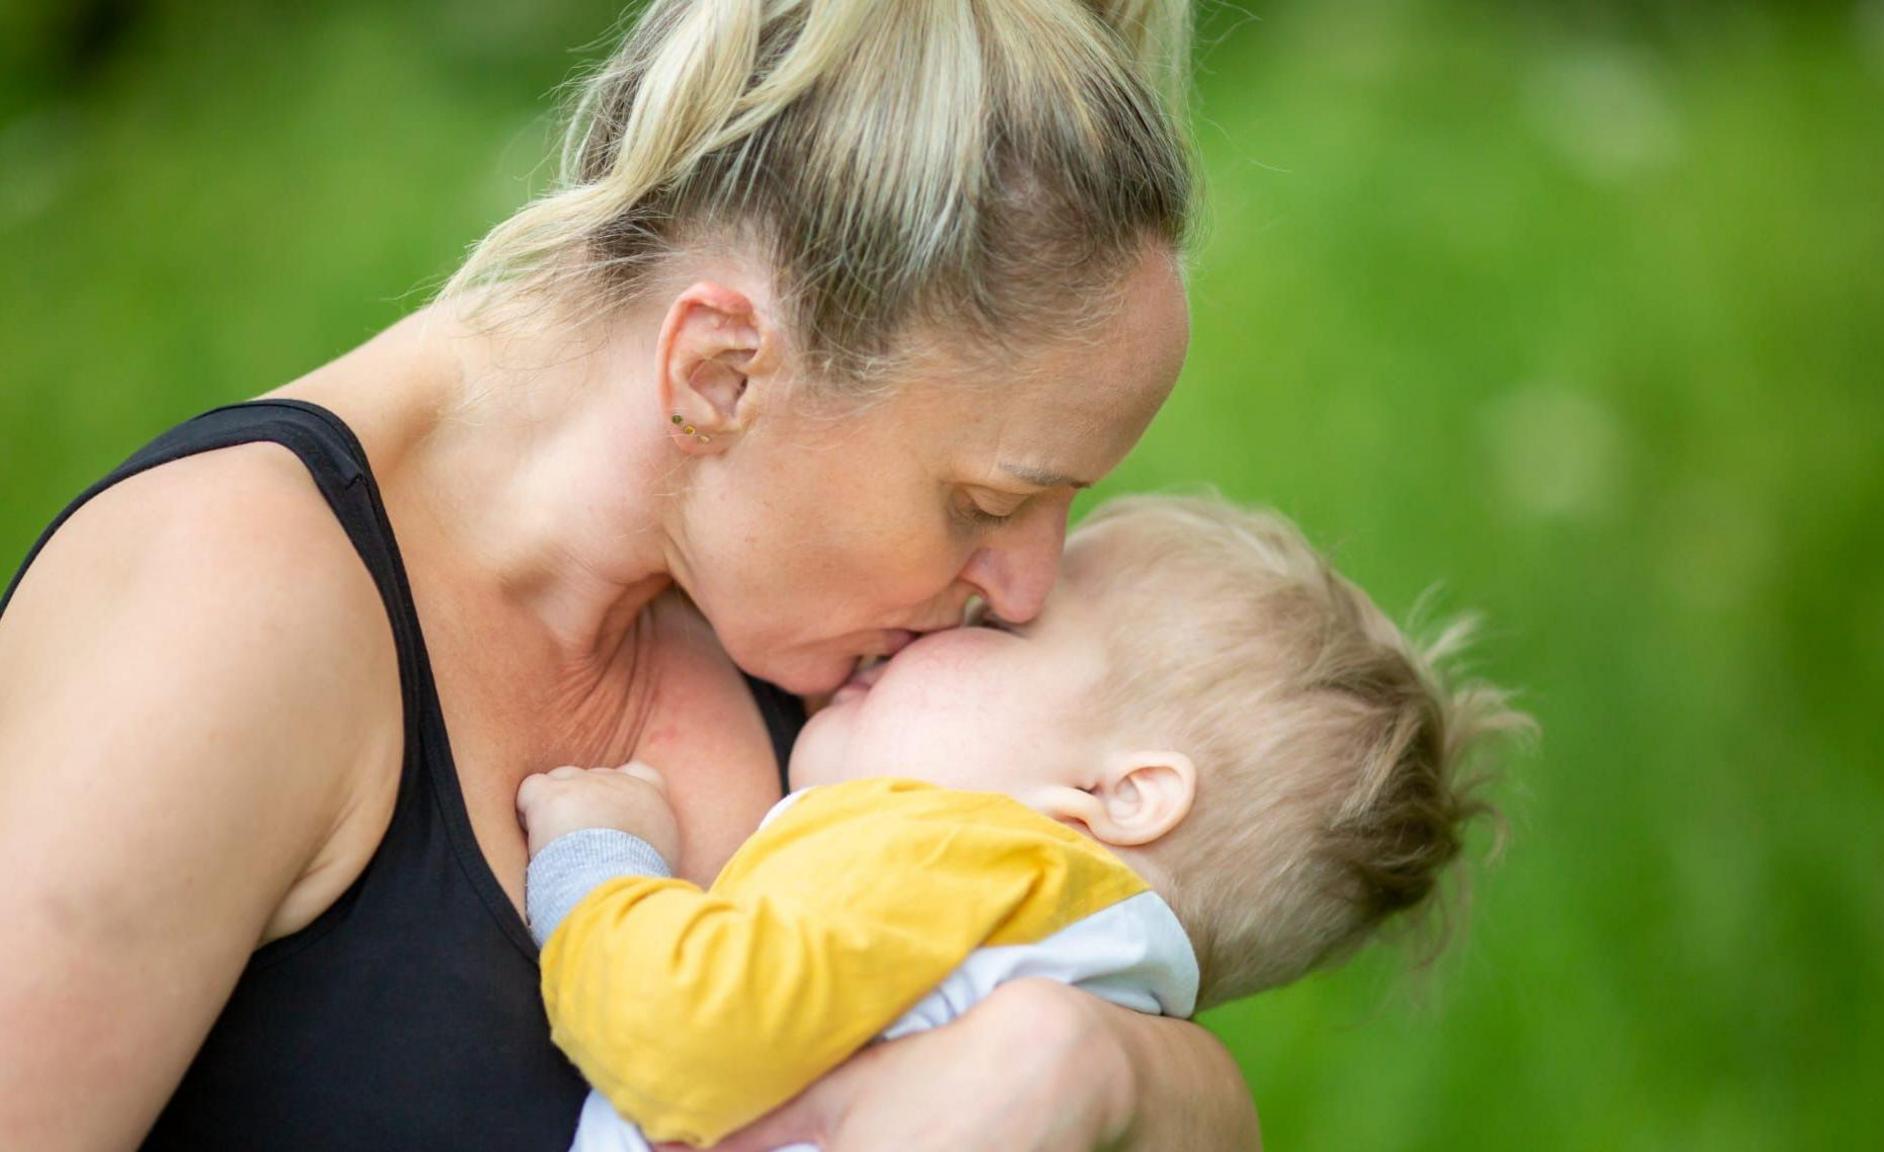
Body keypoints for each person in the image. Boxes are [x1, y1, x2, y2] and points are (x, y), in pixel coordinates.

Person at [0, 3, 1262, 1149]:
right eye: (985, 501)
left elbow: (1119, 978)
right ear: (718, 371)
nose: (1030, 592)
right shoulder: (229, 604)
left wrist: (1109, 1072)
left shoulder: (830, 655)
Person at [514, 493, 1526, 1152]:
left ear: (1121, 797)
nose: (936, 618)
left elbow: (690, 1031)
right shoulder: (1088, 969)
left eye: (996, 631)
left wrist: (595, 858)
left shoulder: (958, 860)